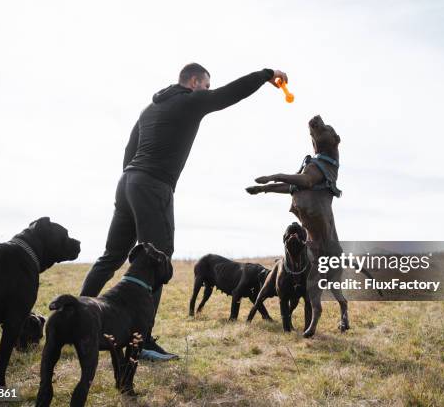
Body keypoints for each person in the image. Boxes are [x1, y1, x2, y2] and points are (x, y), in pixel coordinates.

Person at [79, 63, 288, 360]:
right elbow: (228, 95)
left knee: (110, 257)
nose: (206, 90)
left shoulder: (148, 109)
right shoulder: (191, 99)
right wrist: (266, 74)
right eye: (205, 85)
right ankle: (143, 341)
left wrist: (135, 180)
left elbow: (129, 149)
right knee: (157, 260)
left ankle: (77, 320)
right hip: (153, 186)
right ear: (194, 81)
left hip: (128, 182)